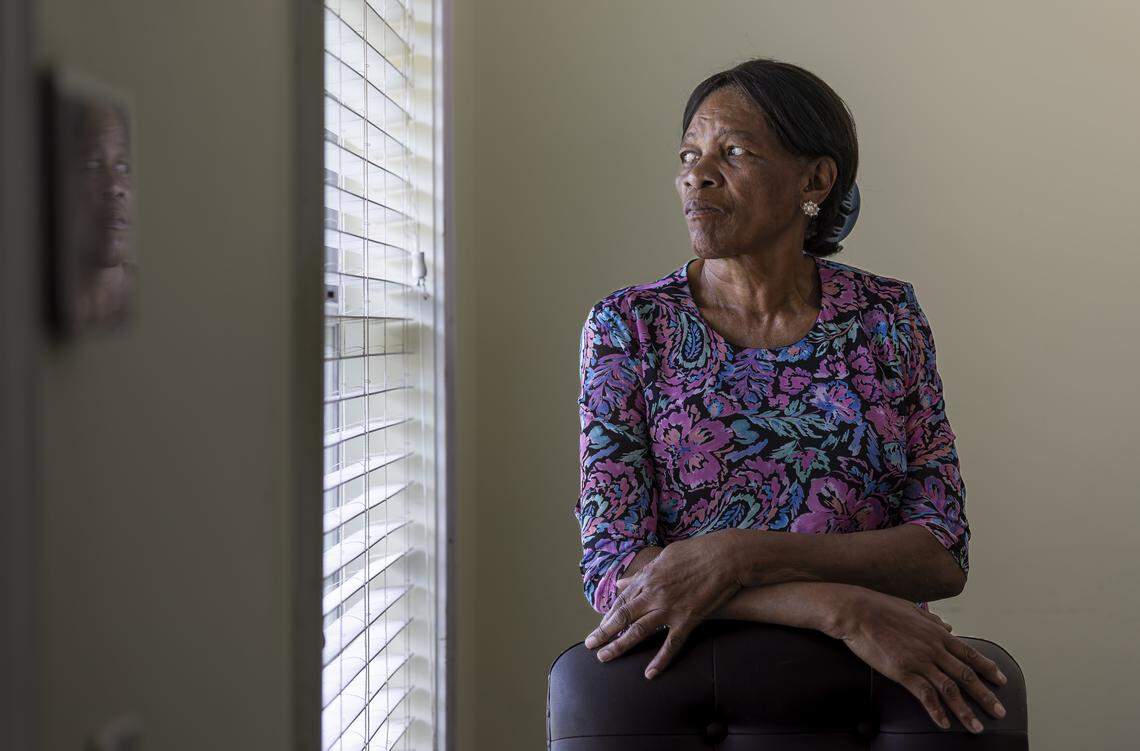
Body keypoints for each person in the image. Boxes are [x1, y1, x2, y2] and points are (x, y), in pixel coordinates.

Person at [574, 58, 1005, 735]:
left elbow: (941, 550)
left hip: (877, 679)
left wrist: (735, 554)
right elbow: (617, 571)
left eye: (734, 151)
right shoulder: (628, 327)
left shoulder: (886, 316)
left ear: (815, 179)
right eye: (690, 154)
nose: (697, 173)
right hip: (697, 675)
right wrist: (838, 607)